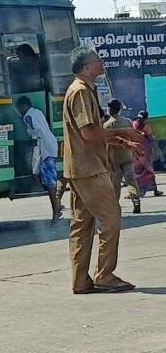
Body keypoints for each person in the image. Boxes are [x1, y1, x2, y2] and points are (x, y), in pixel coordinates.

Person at [62, 46, 145, 295]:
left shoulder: (84, 89)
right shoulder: (80, 91)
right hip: (89, 168)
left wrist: (122, 142)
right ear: (87, 66)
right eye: (98, 60)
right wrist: (123, 131)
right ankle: (105, 275)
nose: (102, 63)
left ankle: (81, 280)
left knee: (82, 225)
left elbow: (92, 133)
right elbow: (88, 133)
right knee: (111, 219)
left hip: (81, 167)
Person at [15, 96, 63, 221]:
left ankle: (56, 210)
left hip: (44, 148)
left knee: (49, 182)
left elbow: (36, 132)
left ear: (23, 106)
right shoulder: (38, 112)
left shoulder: (28, 117)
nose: (20, 111)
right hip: (50, 145)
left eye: (19, 108)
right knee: (50, 180)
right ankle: (57, 205)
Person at [105, 100, 142, 213]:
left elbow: (107, 143)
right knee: (130, 179)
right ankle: (135, 199)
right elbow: (133, 138)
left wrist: (107, 159)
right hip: (127, 155)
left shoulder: (107, 125)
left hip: (114, 158)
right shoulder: (127, 121)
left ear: (110, 110)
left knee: (115, 183)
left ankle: (114, 206)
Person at [131, 111, 164, 197]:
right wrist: (157, 148)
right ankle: (154, 190)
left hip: (136, 151)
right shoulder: (146, 126)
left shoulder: (134, 124)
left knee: (138, 171)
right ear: (146, 118)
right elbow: (150, 138)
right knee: (149, 170)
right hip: (146, 152)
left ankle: (139, 191)